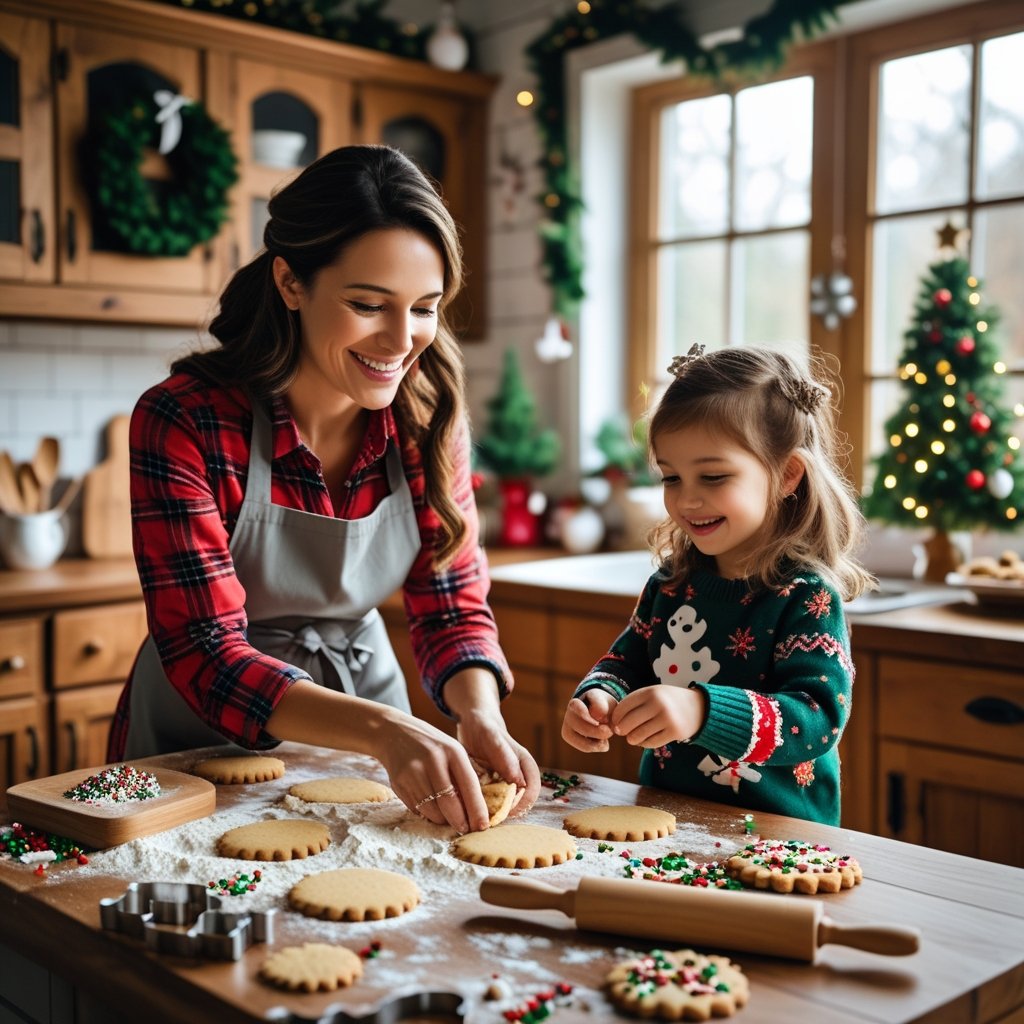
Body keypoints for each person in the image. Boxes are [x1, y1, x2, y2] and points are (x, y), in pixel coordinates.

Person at [108, 144, 540, 833]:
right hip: (193, 739)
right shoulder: (186, 418)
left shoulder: (426, 421)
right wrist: (386, 731)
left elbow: (450, 608)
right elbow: (205, 653)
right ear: (290, 283)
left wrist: (477, 712)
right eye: (369, 304)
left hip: (367, 725)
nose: (402, 340)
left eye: (424, 308)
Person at [562, 344, 875, 826]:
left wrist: (702, 710)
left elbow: (815, 719)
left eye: (712, 476)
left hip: (779, 837)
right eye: (670, 477)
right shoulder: (670, 585)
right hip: (668, 821)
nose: (687, 499)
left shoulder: (806, 598)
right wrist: (598, 697)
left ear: (787, 474)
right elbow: (626, 661)